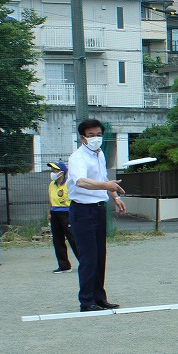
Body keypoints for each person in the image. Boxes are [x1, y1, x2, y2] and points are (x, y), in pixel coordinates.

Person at [67, 118, 125, 312]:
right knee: (89, 257)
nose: (95, 139)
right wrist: (106, 186)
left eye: (99, 135)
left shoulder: (99, 154)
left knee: (100, 256)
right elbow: (81, 182)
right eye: (91, 135)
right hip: (82, 210)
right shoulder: (78, 157)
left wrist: (114, 196)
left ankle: (99, 297)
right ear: (83, 138)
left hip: (99, 208)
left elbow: (103, 179)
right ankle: (86, 300)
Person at [47, 160, 78, 274]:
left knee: (73, 238)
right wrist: (49, 213)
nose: (53, 173)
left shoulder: (68, 183)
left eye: (55, 170)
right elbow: (51, 199)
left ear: (62, 172)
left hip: (67, 213)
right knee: (57, 240)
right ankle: (64, 265)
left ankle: (85, 262)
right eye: (52, 170)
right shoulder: (51, 184)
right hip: (55, 212)